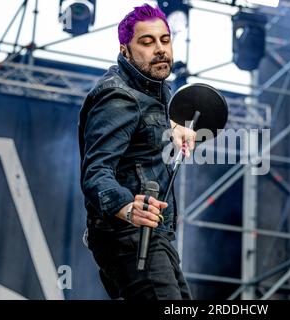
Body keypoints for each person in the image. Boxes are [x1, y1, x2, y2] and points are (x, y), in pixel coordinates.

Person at [78, 4, 195, 300]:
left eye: (164, 40)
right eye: (147, 42)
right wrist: (129, 209)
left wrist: (173, 125)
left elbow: (146, 123)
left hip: (154, 236)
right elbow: (95, 175)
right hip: (128, 237)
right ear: (125, 50)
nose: (159, 49)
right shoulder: (117, 96)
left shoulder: (157, 91)